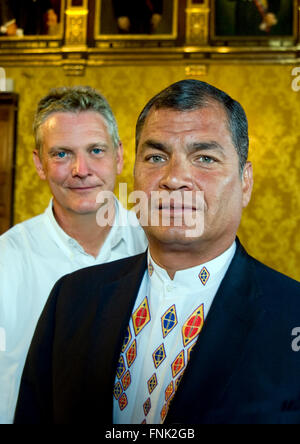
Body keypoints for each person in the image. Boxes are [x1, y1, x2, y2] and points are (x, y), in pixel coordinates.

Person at [14, 80, 300, 424]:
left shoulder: (291, 316)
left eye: (204, 157)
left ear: (245, 181)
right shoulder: (71, 298)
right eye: (156, 157)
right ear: (133, 171)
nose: (175, 178)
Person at [0, 86, 147, 424]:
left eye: (96, 150)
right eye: (62, 154)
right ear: (39, 163)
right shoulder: (6, 260)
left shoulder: (158, 250)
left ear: (120, 156)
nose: (81, 169)